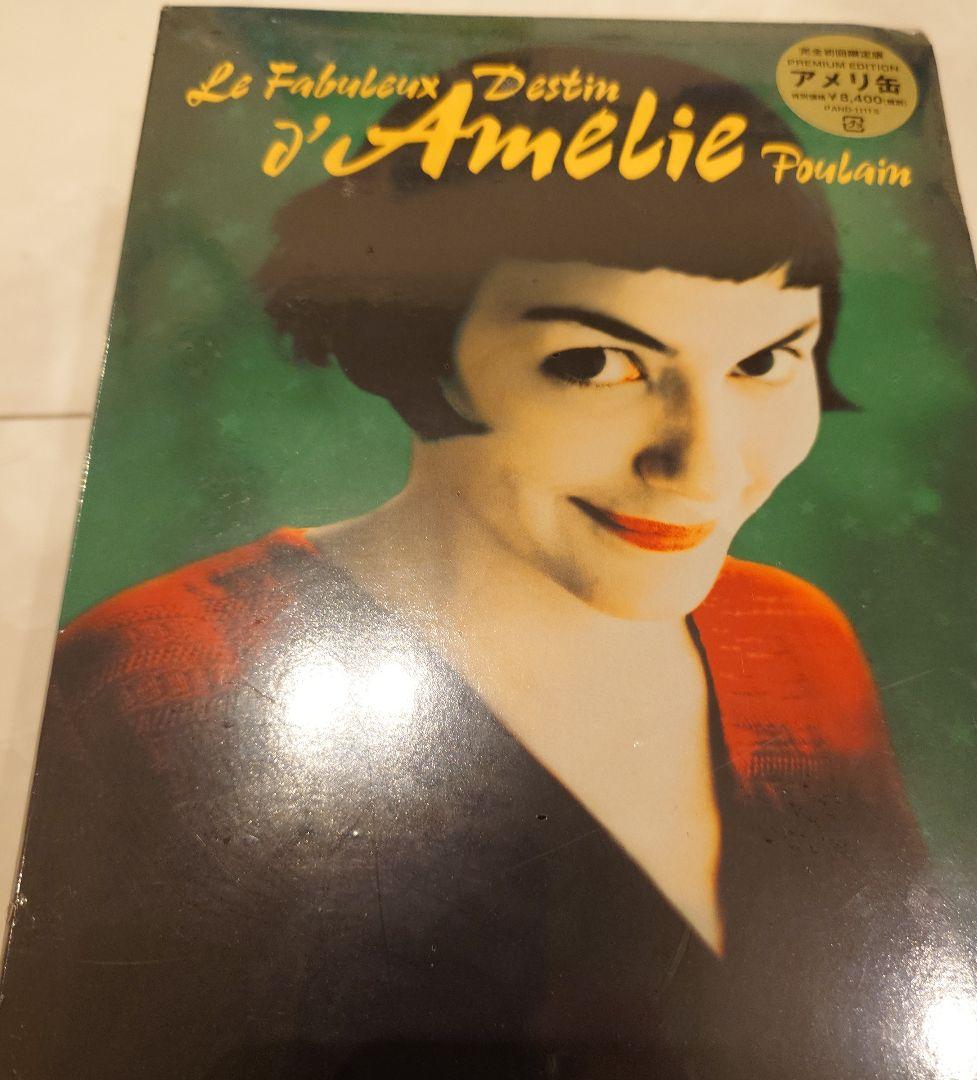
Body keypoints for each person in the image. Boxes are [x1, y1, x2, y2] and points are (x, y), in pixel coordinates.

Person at [1, 48, 926, 1079]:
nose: (703, 468)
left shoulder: (794, 645)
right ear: (417, 344)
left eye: (764, 361)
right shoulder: (159, 684)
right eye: (595, 364)